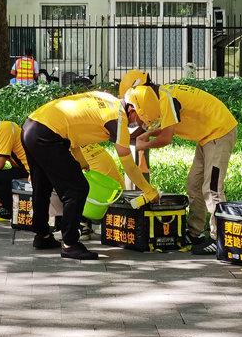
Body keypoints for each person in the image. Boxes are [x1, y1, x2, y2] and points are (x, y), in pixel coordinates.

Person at [22, 91, 158, 261]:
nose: (142, 123)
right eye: (142, 118)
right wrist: (148, 190)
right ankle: (70, 244)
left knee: (42, 186)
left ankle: (42, 236)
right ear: (131, 109)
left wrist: (81, 161)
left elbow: (76, 125)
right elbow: (128, 163)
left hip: (31, 126)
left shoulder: (108, 101)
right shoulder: (118, 117)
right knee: (77, 188)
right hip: (48, 135)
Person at [123, 83, 238, 255]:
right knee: (194, 184)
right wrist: (147, 133)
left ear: (136, 107)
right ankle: (195, 234)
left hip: (219, 132)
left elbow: (167, 137)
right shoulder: (162, 95)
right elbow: (169, 123)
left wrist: (144, 145)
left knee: (212, 188)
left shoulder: (167, 99)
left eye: (133, 117)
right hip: (206, 137)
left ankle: (220, 239)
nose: (138, 121)